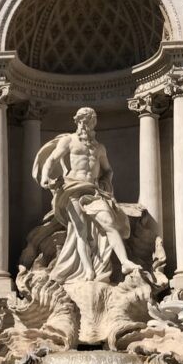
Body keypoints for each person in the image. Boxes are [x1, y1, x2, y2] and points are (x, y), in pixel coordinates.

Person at [33, 107, 142, 283]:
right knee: (80, 231)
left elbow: (107, 170)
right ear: (78, 122)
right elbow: (52, 159)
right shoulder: (69, 141)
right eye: (84, 121)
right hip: (72, 189)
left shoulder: (99, 148)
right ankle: (88, 271)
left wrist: (106, 184)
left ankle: (125, 262)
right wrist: (45, 176)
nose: (87, 125)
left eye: (90, 121)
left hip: (93, 191)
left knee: (109, 223)